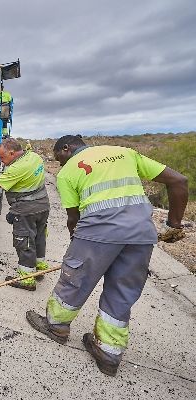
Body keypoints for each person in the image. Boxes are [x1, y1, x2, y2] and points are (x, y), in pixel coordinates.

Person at [26, 135, 188, 376]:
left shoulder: (69, 171)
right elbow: (179, 181)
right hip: (141, 235)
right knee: (122, 291)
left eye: (58, 155)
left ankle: (56, 326)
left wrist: (76, 247)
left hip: (98, 233)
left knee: (74, 279)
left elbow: (74, 218)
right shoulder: (124, 153)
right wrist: (173, 224)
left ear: (67, 148)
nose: (58, 162)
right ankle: (108, 353)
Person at [0, 138, 50, 291]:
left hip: (26, 210)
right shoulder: (34, 157)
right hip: (43, 205)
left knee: (25, 242)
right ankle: (40, 268)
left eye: (3, 157)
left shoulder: (17, 168)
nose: (1, 161)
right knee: (39, 237)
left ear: (12, 152)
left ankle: (26, 279)